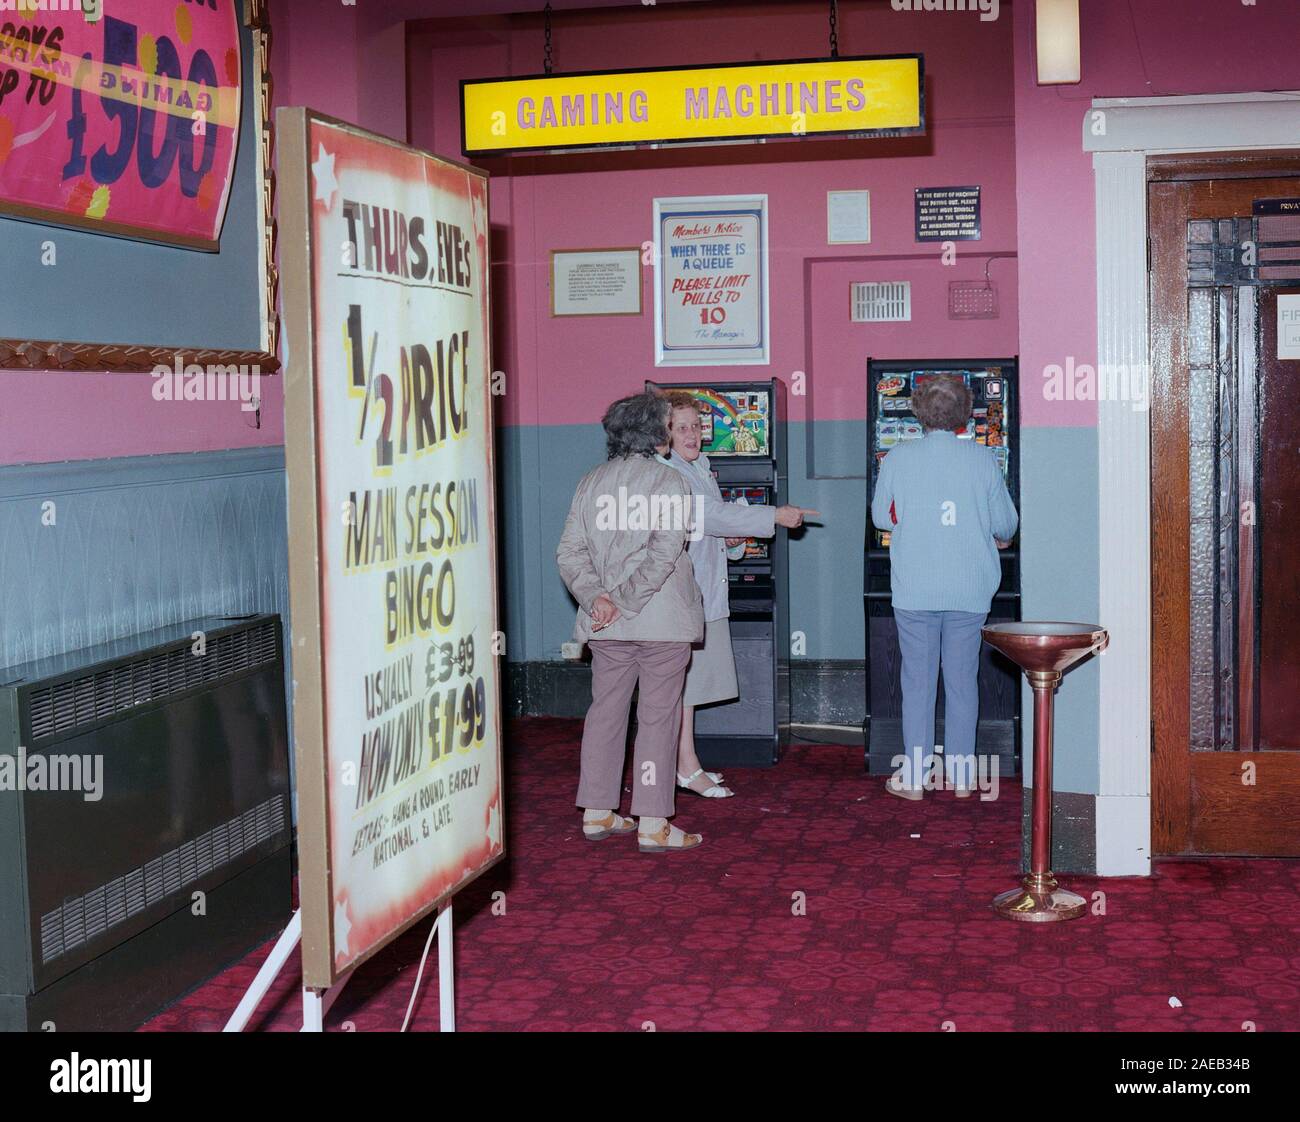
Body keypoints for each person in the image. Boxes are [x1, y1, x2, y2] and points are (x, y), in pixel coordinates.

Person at [556, 391, 707, 852]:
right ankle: (652, 821)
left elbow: (569, 553)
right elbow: (665, 552)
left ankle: (598, 812)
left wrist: (597, 599)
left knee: (605, 713)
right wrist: (623, 600)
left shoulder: (591, 481)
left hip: (607, 624)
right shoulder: (670, 482)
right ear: (656, 434)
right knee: (658, 719)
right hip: (657, 620)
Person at [660, 391, 819, 798]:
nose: (693, 435)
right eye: (682, 428)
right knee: (681, 689)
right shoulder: (668, 472)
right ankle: (684, 767)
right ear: (665, 433)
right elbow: (707, 515)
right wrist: (774, 515)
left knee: (690, 688)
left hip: (705, 591)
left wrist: (734, 540)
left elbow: (715, 530)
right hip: (681, 596)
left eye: (697, 426)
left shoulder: (702, 467)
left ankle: (686, 763)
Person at [869, 374, 1018, 800]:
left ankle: (914, 777)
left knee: (917, 682)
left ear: (917, 411)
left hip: (915, 587)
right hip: (969, 589)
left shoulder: (898, 459)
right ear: (965, 414)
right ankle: (963, 776)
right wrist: (992, 533)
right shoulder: (982, 459)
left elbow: (881, 518)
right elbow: (1006, 523)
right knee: (961, 680)